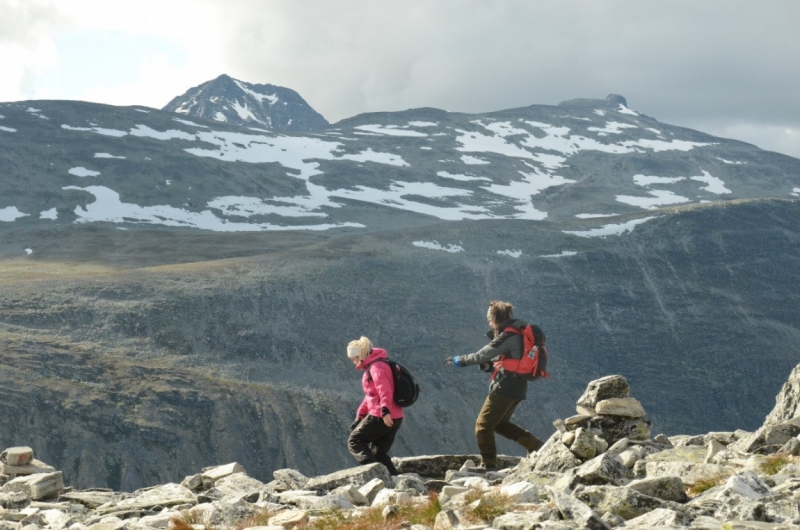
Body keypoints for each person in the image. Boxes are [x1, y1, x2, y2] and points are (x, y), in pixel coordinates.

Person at [444, 301, 544, 471]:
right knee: (499, 424)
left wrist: (458, 360)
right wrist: (491, 367)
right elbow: (510, 361)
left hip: (504, 387)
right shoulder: (519, 334)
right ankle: (537, 447)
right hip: (518, 387)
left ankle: (488, 464)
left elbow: (482, 355)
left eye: (489, 317)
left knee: (482, 425)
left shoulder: (508, 336)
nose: (488, 321)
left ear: (496, 317)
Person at [347, 336, 403, 475]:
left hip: (382, 415)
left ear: (360, 355)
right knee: (378, 453)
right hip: (396, 417)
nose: (354, 363)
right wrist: (360, 416)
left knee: (355, 441)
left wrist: (385, 411)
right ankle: (395, 482)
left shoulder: (376, 367)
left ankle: (376, 475)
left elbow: (385, 390)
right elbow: (371, 395)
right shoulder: (379, 363)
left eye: (354, 359)